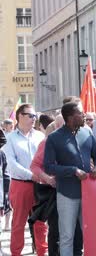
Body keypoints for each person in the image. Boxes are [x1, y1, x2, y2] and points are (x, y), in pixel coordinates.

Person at [44, 102, 96, 255]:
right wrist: (73, 170)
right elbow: (48, 167)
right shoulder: (54, 138)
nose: (84, 115)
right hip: (66, 194)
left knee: (91, 235)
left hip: (89, 194)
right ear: (70, 117)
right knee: (66, 236)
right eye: (80, 113)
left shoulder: (87, 132)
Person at [2, 104, 47, 256]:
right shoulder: (10, 139)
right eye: (30, 115)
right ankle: (16, 253)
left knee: (40, 222)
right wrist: (32, 175)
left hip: (40, 185)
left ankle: (42, 251)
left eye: (35, 116)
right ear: (20, 116)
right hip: (21, 185)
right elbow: (12, 165)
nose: (34, 118)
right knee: (18, 223)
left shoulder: (40, 136)